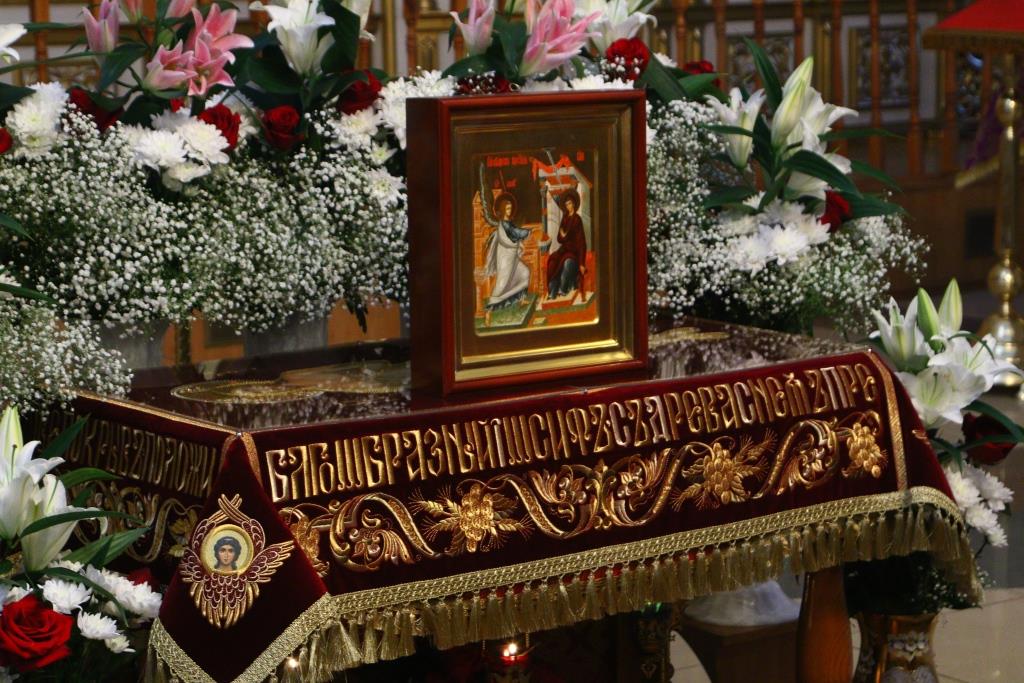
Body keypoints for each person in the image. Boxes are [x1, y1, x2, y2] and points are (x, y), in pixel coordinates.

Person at [479, 164, 532, 310]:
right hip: (506, 259)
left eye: (510, 208)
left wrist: (523, 234)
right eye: (507, 209)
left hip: (512, 257)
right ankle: (489, 310)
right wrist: (527, 233)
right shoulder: (504, 225)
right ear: (503, 210)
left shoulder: (508, 223)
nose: (509, 211)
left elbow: (515, 232)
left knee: (525, 273)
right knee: (501, 285)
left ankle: (521, 299)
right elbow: (515, 233)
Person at [546, 188, 586, 300]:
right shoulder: (564, 219)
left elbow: (581, 242)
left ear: (574, 204)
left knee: (567, 263)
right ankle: (552, 291)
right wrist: (563, 236)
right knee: (552, 261)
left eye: (570, 203)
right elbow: (559, 238)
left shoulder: (577, 219)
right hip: (564, 250)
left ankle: (562, 289)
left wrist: (582, 263)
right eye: (566, 204)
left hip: (574, 252)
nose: (568, 206)